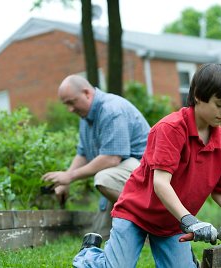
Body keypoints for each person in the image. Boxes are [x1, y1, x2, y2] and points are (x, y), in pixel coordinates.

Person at [72, 63, 221, 268]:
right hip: (136, 214)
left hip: (172, 223)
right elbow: (161, 183)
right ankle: (89, 255)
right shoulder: (170, 128)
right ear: (197, 97)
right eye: (219, 104)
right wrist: (191, 221)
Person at [42, 74, 151, 239]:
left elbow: (112, 158)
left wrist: (70, 176)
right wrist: (64, 181)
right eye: (66, 105)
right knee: (99, 234)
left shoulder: (111, 109)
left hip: (148, 174)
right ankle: (129, 232)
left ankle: (150, 224)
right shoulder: (85, 117)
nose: (70, 109)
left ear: (87, 93)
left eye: (71, 102)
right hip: (123, 174)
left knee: (104, 178)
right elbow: (83, 153)